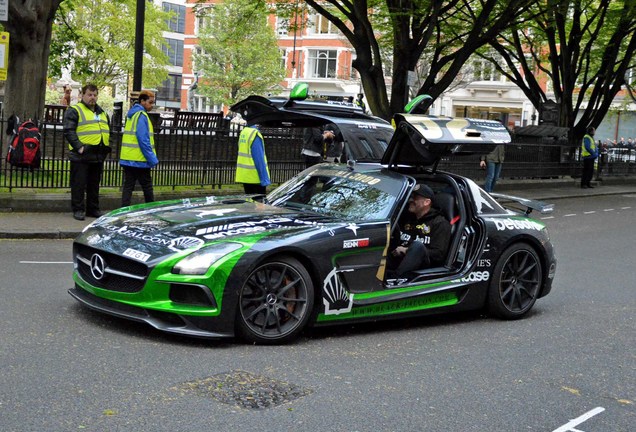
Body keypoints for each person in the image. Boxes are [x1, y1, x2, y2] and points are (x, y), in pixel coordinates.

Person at [63, 83, 111, 220]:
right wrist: (79, 147)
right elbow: (69, 130)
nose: (92, 98)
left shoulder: (102, 113)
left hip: (98, 153)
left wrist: (107, 145)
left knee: (94, 184)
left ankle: (93, 209)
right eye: (89, 94)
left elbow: (108, 130)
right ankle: (78, 209)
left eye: (95, 95)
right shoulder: (75, 110)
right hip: (81, 154)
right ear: (82, 95)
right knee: (79, 184)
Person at [388, 184, 451, 279]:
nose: (410, 200)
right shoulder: (404, 217)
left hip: (422, 269)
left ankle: (395, 279)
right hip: (396, 260)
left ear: (427, 202)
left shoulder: (440, 223)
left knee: (417, 246)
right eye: (411, 197)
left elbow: (438, 255)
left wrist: (407, 250)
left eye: (415, 197)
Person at [119, 90, 159, 207]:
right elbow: (143, 140)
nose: (152, 105)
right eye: (150, 102)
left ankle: (124, 210)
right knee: (147, 187)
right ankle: (151, 210)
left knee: (128, 186)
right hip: (140, 159)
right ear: (142, 101)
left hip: (128, 157)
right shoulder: (141, 116)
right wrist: (152, 159)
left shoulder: (132, 115)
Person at [235, 124, 270, 194]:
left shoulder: (244, 132)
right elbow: (259, 159)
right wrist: (264, 179)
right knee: (259, 203)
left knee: (250, 203)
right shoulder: (255, 134)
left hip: (245, 176)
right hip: (256, 177)